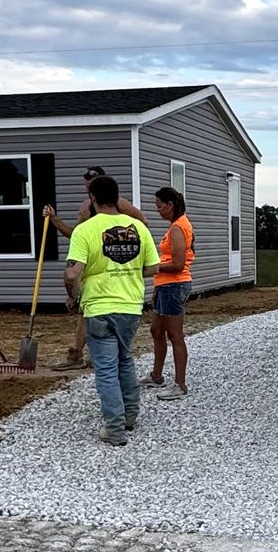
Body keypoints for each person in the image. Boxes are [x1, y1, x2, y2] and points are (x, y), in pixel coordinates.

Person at [63, 175, 160, 445]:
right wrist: (127, 270)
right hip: (130, 306)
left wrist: (73, 294)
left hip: (99, 308)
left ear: (93, 199)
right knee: (124, 359)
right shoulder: (139, 229)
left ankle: (114, 429)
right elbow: (154, 268)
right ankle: (130, 415)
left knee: (106, 368)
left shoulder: (85, 230)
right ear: (117, 198)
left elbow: (73, 274)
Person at [53, 164, 147, 370]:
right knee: (87, 310)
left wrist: (128, 248)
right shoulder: (87, 208)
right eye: (87, 186)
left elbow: (141, 223)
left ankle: (92, 356)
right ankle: (78, 354)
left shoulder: (121, 205)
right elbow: (75, 233)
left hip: (114, 266)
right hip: (92, 262)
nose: (88, 191)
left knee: (95, 313)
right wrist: (55, 221)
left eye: (91, 186)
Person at [148, 185, 195, 399]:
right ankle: (156, 376)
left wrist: (153, 268)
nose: (157, 210)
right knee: (156, 330)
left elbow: (177, 264)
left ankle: (180, 385)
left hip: (174, 285)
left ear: (170, 205)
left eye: (159, 206)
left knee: (175, 335)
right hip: (165, 286)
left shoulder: (178, 228)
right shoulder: (175, 225)